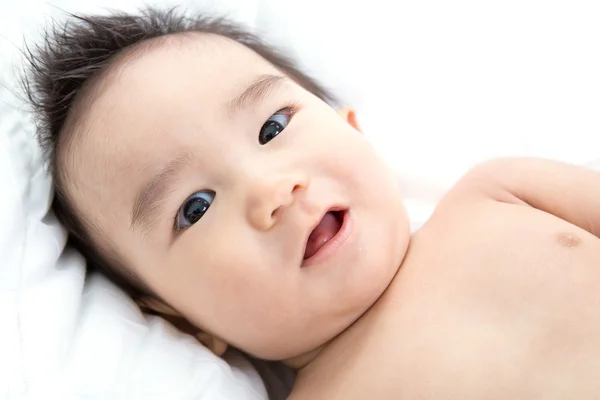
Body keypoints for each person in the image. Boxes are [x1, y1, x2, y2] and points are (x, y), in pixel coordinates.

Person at [25, 7, 600, 399]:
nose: (272, 190)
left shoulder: (500, 193)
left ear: (351, 127)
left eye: (273, 127)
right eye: (195, 207)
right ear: (181, 318)